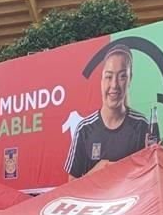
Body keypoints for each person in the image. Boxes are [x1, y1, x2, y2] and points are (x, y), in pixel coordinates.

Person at [65, 45, 151, 180]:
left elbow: (148, 177)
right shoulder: (85, 129)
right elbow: (71, 184)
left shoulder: (141, 125)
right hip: (94, 200)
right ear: (101, 80)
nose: (114, 85)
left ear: (130, 80)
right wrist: (99, 171)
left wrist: (157, 156)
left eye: (122, 76)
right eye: (109, 76)